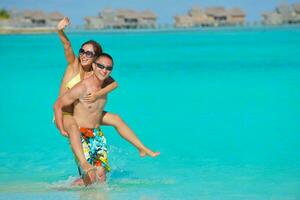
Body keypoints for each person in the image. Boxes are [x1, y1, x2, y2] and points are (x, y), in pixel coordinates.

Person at [56, 17, 160, 183]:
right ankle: (83, 164)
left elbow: (114, 84)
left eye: (88, 53)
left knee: (116, 119)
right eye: (82, 51)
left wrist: (98, 94)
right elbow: (67, 46)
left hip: (83, 112)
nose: (83, 55)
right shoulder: (73, 65)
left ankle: (141, 148)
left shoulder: (97, 72)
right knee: (75, 129)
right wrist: (60, 30)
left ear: (96, 58)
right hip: (65, 114)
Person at [54, 54, 115, 185]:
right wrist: (60, 127)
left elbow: (115, 84)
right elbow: (58, 105)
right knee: (90, 177)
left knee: (101, 175)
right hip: (81, 134)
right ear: (94, 66)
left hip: (96, 133)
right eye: (101, 66)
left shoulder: (105, 84)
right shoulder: (82, 87)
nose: (104, 70)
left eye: (108, 68)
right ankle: (66, 191)